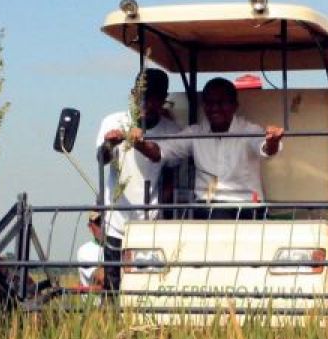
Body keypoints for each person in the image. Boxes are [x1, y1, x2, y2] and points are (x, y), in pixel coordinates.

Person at [149, 77, 285, 218]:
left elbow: (266, 148)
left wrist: (272, 141)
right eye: (209, 103)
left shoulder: (249, 130)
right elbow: (160, 152)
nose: (214, 108)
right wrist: (137, 142)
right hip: (206, 206)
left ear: (234, 105)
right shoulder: (195, 133)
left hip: (246, 207)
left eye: (221, 103)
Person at [96, 68, 182, 287]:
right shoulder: (113, 121)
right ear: (133, 94)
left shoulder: (171, 130)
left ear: (163, 99)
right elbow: (101, 158)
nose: (145, 102)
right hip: (116, 220)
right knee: (113, 286)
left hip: (150, 222)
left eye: (152, 97)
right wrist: (110, 144)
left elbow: (160, 159)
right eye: (140, 95)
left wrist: (138, 143)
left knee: (147, 284)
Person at [74, 211, 106, 289]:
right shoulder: (85, 251)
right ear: (90, 227)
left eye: (107, 222)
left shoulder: (123, 247)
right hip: (96, 301)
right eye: (99, 223)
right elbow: (103, 278)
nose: (104, 226)